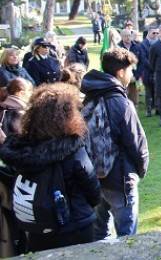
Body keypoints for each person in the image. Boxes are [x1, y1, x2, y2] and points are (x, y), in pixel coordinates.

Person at [0, 83, 101, 252]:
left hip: (37, 229)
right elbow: (93, 191)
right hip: (76, 226)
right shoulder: (73, 150)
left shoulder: (21, 150)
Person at [81, 48, 149, 240]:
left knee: (99, 234)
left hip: (94, 177)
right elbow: (136, 143)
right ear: (120, 72)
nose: (132, 74)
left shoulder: (90, 95)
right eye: (130, 70)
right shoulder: (120, 102)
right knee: (128, 239)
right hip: (120, 179)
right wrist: (140, 171)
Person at [118, 29, 143, 105]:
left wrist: (137, 76)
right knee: (123, 99)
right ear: (121, 37)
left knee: (134, 101)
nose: (128, 37)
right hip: (122, 78)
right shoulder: (118, 47)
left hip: (134, 77)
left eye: (129, 35)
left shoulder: (137, 47)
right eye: (125, 36)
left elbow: (142, 62)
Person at [140, 27, 159, 116]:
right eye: (153, 33)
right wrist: (153, 66)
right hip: (147, 72)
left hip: (157, 72)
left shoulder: (159, 43)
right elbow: (143, 59)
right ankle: (148, 110)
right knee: (148, 93)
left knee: (157, 91)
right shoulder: (143, 44)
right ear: (148, 33)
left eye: (157, 33)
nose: (155, 35)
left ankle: (158, 109)